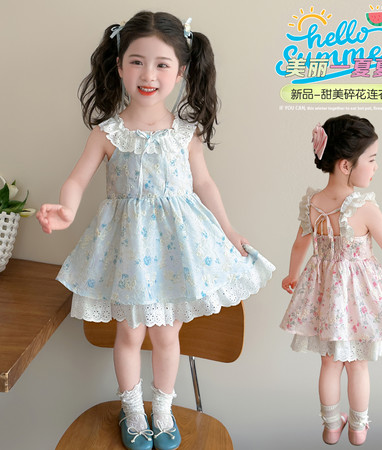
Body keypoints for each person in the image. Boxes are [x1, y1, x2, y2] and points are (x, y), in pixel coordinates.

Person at [37, 11, 274, 450]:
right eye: (137, 61)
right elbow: (77, 180)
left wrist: (228, 229)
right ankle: (132, 411)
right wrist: (66, 210)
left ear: (181, 71)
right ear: (119, 65)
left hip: (177, 250)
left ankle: (162, 411)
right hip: (128, 250)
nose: (148, 74)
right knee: (129, 332)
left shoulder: (186, 133)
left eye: (162, 64)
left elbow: (204, 184)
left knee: (167, 334)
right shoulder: (107, 132)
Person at [280, 115, 382, 446]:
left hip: (323, 293)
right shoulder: (364, 208)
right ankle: (359, 428)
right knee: (358, 365)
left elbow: (299, 245)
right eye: (372, 159)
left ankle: (331, 426)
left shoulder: (312, 203)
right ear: (346, 165)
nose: (376, 167)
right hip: (358, 296)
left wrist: (292, 275)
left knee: (329, 362)